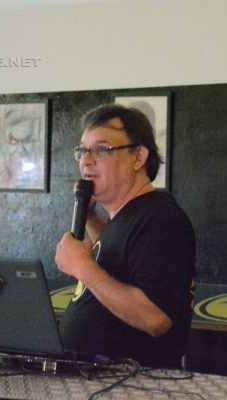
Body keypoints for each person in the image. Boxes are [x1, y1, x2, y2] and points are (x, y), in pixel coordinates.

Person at [55, 104, 196, 368]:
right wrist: (91, 219)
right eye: (82, 151)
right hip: (97, 377)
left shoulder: (161, 219)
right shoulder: (126, 217)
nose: (86, 161)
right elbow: (121, 260)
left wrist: (83, 267)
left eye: (102, 149)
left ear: (138, 157)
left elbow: (157, 318)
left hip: (132, 382)